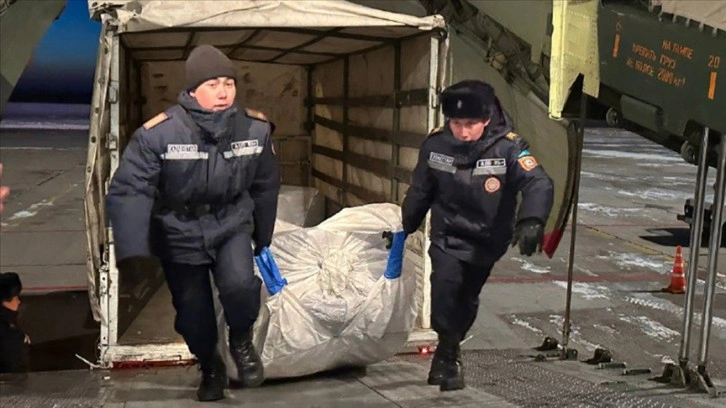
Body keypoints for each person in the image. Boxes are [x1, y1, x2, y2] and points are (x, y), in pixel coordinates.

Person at [106, 44, 280, 402]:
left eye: (228, 84)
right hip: (179, 229)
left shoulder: (255, 129)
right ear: (193, 90)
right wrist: (133, 251)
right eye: (213, 84)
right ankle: (210, 365)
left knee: (240, 286)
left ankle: (241, 340)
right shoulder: (159, 134)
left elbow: (266, 184)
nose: (222, 92)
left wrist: (263, 234)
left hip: (231, 222)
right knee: (193, 314)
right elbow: (130, 189)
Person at [401, 80, 554, 391]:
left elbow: (538, 182)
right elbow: (421, 190)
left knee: (466, 298)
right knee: (443, 291)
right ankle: (448, 353)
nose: (463, 132)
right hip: (447, 235)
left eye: (470, 124)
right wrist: (404, 227)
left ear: (486, 119)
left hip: (487, 239)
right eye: (456, 123)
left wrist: (532, 220)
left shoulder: (509, 147)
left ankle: (448, 351)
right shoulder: (436, 146)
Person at [0, 272, 30, 378]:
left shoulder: (8, 323)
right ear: (4, 301)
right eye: (16, 298)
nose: (19, 302)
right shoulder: (7, 332)